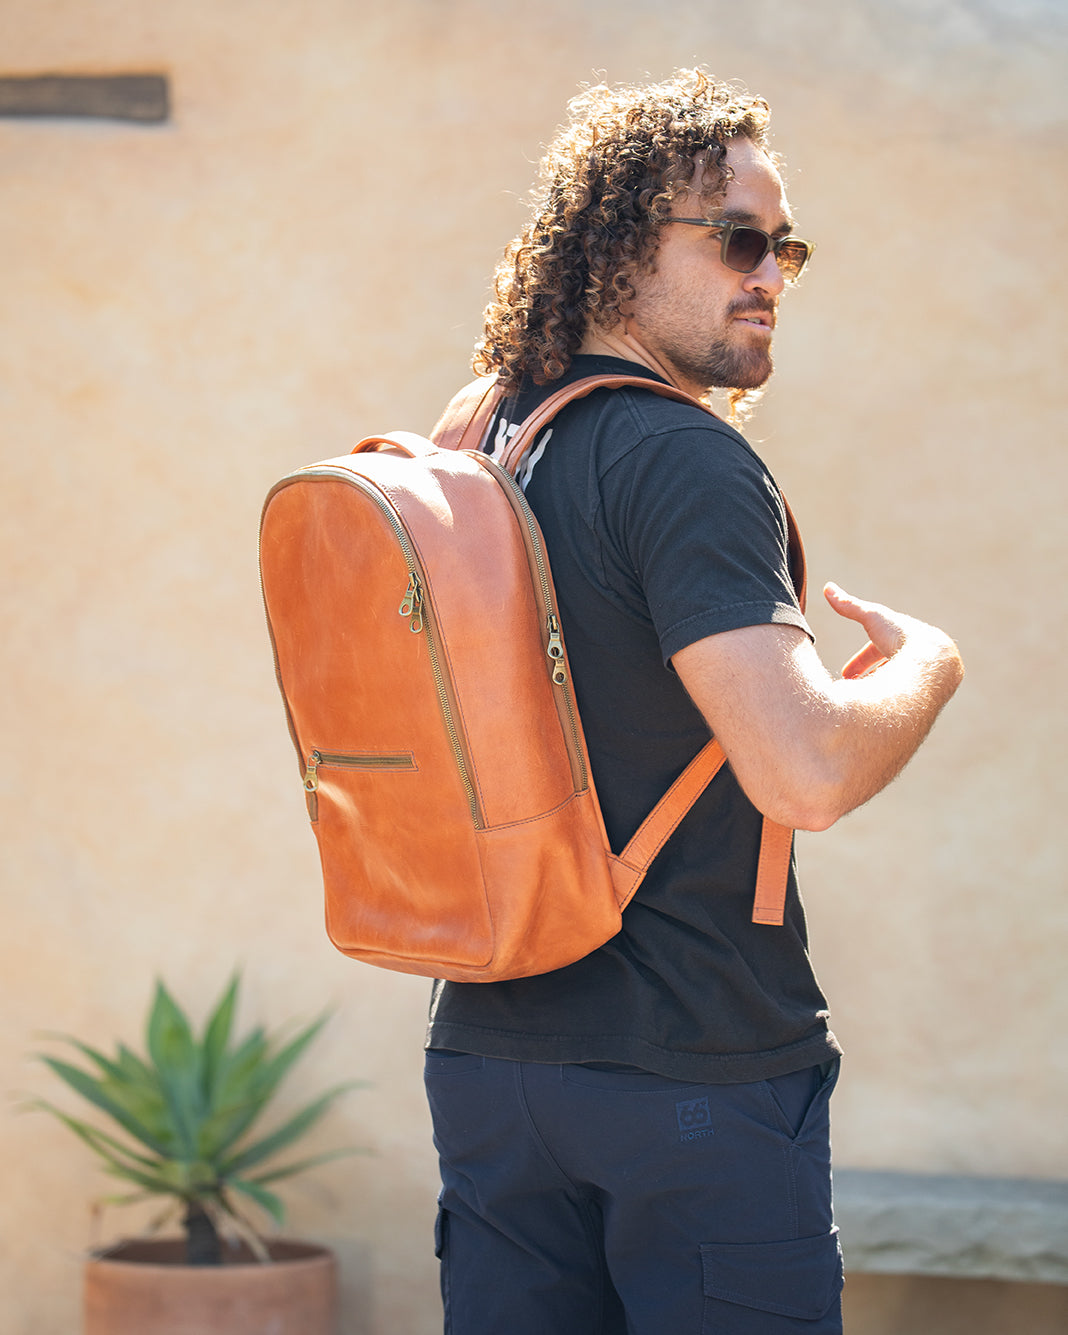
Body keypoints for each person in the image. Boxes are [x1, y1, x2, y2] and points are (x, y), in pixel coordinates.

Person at [423, 69, 963, 1334]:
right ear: (617, 249)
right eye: (736, 240)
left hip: (490, 1061)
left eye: (786, 248)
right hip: (694, 1072)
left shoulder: (483, 432)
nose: (770, 275)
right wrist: (927, 666)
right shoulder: (683, 457)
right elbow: (803, 773)